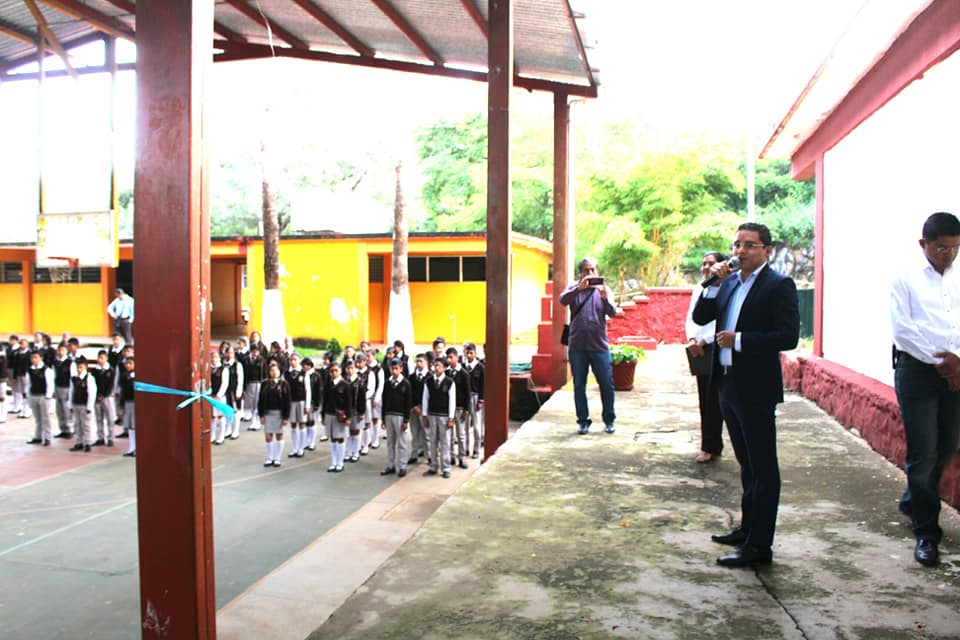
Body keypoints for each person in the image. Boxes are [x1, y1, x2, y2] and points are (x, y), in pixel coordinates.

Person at [693, 222, 799, 567]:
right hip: (725, 383)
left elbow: (787, 336)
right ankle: (747, 528)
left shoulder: (778, 285)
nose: (740, 251)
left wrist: (738, 340)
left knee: (763, 467)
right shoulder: (729, 284)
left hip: (755, 387)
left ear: (767, 250)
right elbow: (700, 315)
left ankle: (759, 546)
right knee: (746, 465)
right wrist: (713, 284)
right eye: (737, 245)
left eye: (750, 245)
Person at [890, 211, 960, 567]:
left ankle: (913, 498)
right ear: (924, 245)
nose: (948, 254)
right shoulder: (905, 278)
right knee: (924, 452)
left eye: (954, 248)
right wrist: (941, 363)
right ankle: (927, 533)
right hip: (917, 370)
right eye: (941, 248)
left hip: (957, 371)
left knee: (949, 443)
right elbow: (903, 330)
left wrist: (957, 360)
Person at [559, 257, 618, 434]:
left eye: (593, 270)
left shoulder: (604, 290)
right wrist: (578, 289)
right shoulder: (574, 288)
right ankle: (583, 421)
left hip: (599, 346)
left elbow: (612, 313)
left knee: (606, 384)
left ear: (597, 271)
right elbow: (562, 300)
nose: (590, 274)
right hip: (577, 346)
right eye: (586, 270)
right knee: (579, 385)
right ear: (581, 273)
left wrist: (605, 298)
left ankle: (609, 420)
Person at [686, 251, 728, 463]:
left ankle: (714, 445)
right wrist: (693, 339)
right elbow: (692, 318)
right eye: (703, 263)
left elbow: (724, 321)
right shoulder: (700, 289)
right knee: (706, 400)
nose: (706, 267)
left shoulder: (728, 288)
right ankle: (709, 445)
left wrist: (706, 340)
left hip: (717, 347)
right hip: (699, 351)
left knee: (720, 401)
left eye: (711, 263)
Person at [422, 356, 455, 479]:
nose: (436, 368)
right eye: (435, 365)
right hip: (432, 414)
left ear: (445, 368)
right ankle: (433, 466)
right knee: (432, 441)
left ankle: (446, 468)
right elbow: (425, 399)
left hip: (444, 416)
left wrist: (451, 418)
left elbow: (452, 401)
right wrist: (424, 415)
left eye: (439, 366)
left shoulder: (450, 382)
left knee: (445, 442)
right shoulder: (429, 382)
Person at [380, 358, 412, 477]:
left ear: (401, 369)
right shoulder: (387, 383)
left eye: (396, 369)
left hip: (400, 416)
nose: (394, 371)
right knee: (390, 442)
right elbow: (384, 400)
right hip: (389, 415)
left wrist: (406, 419)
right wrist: (383, 417)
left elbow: (408, 403)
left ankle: (402, 466)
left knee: (401, 442)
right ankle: (390, 465)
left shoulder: (406, 384)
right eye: (392, 369)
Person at [321, 362, 354, 473]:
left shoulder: (345, 385)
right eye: (331, 371)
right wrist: (323, 415)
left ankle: (340, 462)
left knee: (340, 438)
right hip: (329, 414)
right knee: (333, 439)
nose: (334, 373)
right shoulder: (328, 384)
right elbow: (324, 400)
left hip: (340, 415)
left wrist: (348, 417)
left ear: (340, 371)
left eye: (336, 370)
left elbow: (349, 402)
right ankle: (333, 462)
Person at [257, 360, 291, 467]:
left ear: (279, 371)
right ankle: (270, 457)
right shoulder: (265, 384)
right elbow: (261, 400)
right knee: (268, 436)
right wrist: (261, 415)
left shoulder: (284, 384)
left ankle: (277, 458)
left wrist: (286, 416)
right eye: (271, 370)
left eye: (275, 370)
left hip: (279, 413)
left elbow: (287, 400)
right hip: (268, 412)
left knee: (279, 435)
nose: (273, 372)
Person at [25, 350, 54, 445]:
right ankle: (38, 436)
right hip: (34, 395)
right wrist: (28, 396)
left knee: (45, 418)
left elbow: (50, 384)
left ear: (41, 358)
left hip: (43, 396)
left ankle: (47, 437)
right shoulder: (30, 370)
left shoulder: (46, 370)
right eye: (32, 358)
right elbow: (28, 384)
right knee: (38, 418)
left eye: (36, 357)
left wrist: (48, 396)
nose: (34, 360)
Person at [68, 356, 97, 453]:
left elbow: (92, 392)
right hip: (76, 404)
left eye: (81, 367)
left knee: (86, 425)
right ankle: (79, 442)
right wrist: (70, 404)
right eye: (78, 367)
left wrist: (89, 406)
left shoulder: (89, 378)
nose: (79, 369)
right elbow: (71, 391)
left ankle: (87, 442)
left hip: (85, 405)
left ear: (85, 367)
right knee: (77, 424)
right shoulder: (74, 378)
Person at [91, 350, 117, 447]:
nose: (100, 360)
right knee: (99, 418)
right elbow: (93, 385)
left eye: (102, 358)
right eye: (99, 358)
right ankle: (100, 437)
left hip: (107, 397)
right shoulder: (95, 371)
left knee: (110, 418)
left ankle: (111, 438)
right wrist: (97, 395)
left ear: (106, 358)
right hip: (97, 398)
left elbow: (111, 384)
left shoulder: (111, 370)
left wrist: (104, 394)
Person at [463, 342, 485, 459]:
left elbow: (483, 385)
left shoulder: (480, 367)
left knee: (476, 425)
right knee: (464, 425)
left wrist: (481, 400)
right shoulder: (463, 366)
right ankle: (465, 448)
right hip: (466, 398)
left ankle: (476, 449)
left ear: (475, 354)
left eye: (471, 353)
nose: (469, 355)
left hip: (476, 397)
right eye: (468, 353)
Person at [120, 356, 137, 457]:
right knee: (130, 426)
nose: (128, 365)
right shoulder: (123, 376)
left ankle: (137, 449)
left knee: (135, 425)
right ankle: (132, 447)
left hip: (135, 402)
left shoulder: (137, 376)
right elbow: (122, 391)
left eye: (130, 363)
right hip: (127, 402)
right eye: (127, 363)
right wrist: (122, 405)